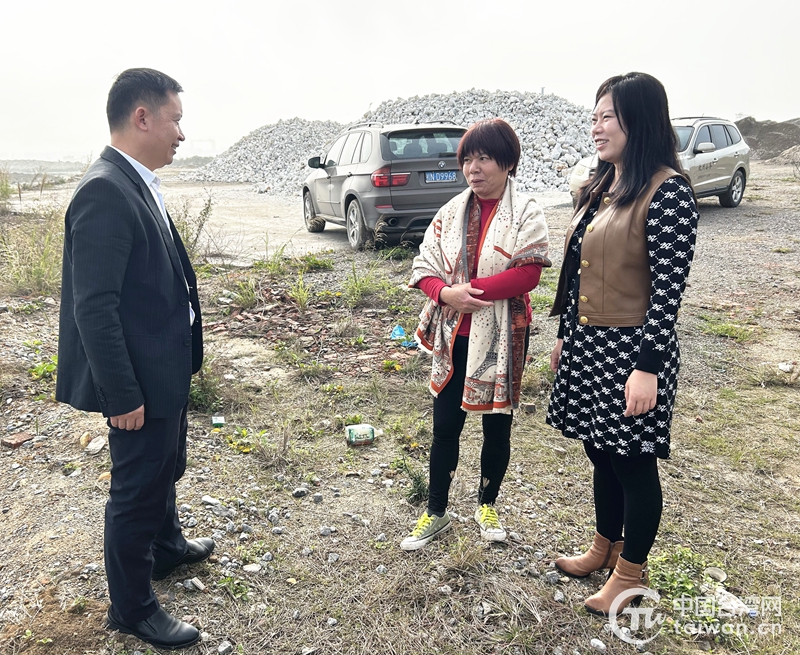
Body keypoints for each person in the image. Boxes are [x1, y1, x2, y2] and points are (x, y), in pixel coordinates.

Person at [56, 68, 211, 650]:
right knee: (136, 489)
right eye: (175, 120)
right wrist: (121, 395)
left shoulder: (135, 180)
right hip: (138, 382)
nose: (181, 134)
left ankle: (166, 546)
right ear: (142, 117)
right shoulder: (104, 190)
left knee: (165, 466)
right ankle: (132, 608)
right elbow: (93, 309)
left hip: (162, 366)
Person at [546, 72, 699, 615]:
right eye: (594, 117)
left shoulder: (668, 191)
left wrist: (648, 367)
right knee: (599, 449)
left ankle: (631, 573)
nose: (597, 127)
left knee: (632, 461)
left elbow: (667, 292)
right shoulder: (606, 186)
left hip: (633, 351)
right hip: (589, 343)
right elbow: (578, 274)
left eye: (607, 116)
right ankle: (604, 547)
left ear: (640, 120)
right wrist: (564, 336)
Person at [402, 118, 551, 551]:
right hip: (455, 335)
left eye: (484, 158)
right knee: (445, 426)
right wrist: (446, 293)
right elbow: (423, 266)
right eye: (467, 159)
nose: (474, 168)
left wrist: (472, 292)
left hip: (503, 336)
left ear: (508, 163)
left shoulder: (526, 212)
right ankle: (436, 511)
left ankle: (487, 504)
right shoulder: (450, 212)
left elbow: (529, 272)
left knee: (496, 427)